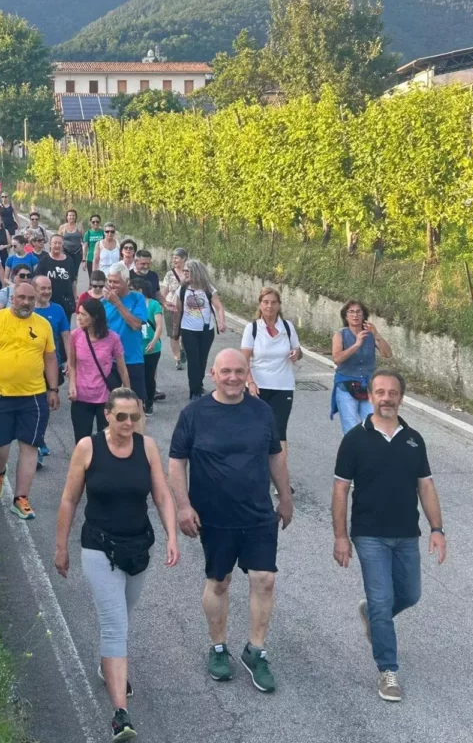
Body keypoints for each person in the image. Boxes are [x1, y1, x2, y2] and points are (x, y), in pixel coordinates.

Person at [56, 388, 179, 743]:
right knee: (115, 625)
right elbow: (68, 499)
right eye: (121, 416)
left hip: (139, 547)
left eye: (134, 417)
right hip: (99, 548)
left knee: (123, 615)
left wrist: (172, 536)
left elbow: (161, 495)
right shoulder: (88, 448)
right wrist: (60, 546)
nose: (128, 423)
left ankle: (106, 666)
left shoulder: (148, 447)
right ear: (107, 414)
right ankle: (120, 715)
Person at [169, 349, 293, 691]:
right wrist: (183, 506)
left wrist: (285, 497)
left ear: (247, 372)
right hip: (215, 516)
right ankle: (219, 647)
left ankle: (256, 650)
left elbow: (275, 455)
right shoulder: (194, 413)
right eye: (226, 372)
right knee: (219, 582)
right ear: (213, 374)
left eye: (239, 371)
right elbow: (177, 461)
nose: (233, 377)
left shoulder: (262, 411)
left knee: (265, 579)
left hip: (257, 514)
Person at [332, 370, 446, 703]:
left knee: (410, 594)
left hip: (407, 534)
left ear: (400, 397)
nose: (386, 397)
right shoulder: (354, 439)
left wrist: (437, 529)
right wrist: (340, 536)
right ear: (370, 396)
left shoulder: (414, 439)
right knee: (383, 601)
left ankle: (373, 615)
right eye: (379, 391)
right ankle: (387, 669)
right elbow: (340, 490)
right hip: (369, 535)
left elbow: (425, 485)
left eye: (392, 392)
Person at [0, 280, 60, 520]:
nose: (26, 302)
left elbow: (50, 358)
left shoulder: (42, 325)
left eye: (30, 299)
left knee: (29, 447)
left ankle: (21, 498)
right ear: (12, 298)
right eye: (21, 297)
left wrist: (53, 389)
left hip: (33, 397)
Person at [240, 287, 302, 478]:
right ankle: (255, 471)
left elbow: (298, 351)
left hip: (283, 386)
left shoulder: (288, 327)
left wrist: (296, 354)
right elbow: (244, 359)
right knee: (257, 430)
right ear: (260, 304)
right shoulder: (253, 328)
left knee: (279, 432)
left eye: (273, 302)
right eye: (266, 302)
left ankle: (280, 477)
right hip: (258, 386)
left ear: (279, 305)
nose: (269, 306)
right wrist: (250, 383)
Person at [68, 298, 129, 443]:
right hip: (81, 397)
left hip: (105, 397)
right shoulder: (76, 335)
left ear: (95, 317)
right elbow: (72, 365)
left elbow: (122, 369)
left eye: (83, 314)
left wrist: (128, 395)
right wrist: (71, 385)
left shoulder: (113, 338)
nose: (79, 317)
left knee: (107, 441)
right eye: (79, 313)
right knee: (82, 441)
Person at [331, 299, 393, 434]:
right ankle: (353, 454)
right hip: (346, 386)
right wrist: (356, 345)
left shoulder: (370, 334)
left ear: (364, 315)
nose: (355, 315)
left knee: (372, 427)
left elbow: (387, 354)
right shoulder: (340, 335)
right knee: (352, 429)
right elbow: (337, 359)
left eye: (358, 312)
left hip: (368, 386)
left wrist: (377, 335)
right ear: (345, 316)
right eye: (351, 312)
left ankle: (368, 454)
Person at [173, 259, 226, 401]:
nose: (184, 273)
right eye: (184, 271)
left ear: (196, 272)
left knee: (202, 359)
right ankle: (194, 391)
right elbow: (178, 309)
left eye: (187, 271)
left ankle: (198, 383)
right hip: (188, 329)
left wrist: (222, 322)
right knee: (193, 361)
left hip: (206, 330)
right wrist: (175, 329)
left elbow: (219, 306)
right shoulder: (182, 289)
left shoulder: (208, 289)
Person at [33, 274, 71, 464]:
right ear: (34, 290)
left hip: (51, 365)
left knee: (46, 405)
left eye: (49, 288)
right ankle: (36, 443)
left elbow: (66, 336)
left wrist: (70, 361)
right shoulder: (27, 310)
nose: (47, 291)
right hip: (30, 367)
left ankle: (39, 439)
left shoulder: (58, 310)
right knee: (34, 406)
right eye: (43, 288)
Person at [102, 263, 148, 408]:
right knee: (112, 404)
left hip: (132, 359)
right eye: (110, 281)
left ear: (126, 282)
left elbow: (135, 325)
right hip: (111, 361)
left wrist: (117, 303)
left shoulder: (137, 298)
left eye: (116, 282)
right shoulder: (103, 303)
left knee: (136, 403)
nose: (112, 285)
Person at [133, 278, 163, 411]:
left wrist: (153, 341)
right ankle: (138, 402)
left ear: (139, 291)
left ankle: (149, 401)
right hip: (135, 348)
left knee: (149, 377)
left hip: (152, 348)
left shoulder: (153, 304)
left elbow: (159, 326)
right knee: (137, 377)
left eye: (131, 289)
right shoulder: (130, 305)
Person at [35, 233, 78, 320]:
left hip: (66, 302)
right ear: (50, 244)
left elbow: (73, 281)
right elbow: (36, 281)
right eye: (55, 243)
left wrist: (75, 298)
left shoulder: (69, 260)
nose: (57, 245)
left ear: (63, 245)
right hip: (49, 300)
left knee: (65, 328)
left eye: (59, 243)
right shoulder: (44, 260)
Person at [161, 248, 188, 370]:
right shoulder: (169, 274)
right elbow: (164, 291)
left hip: (188, 308)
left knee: (186, 333)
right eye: (173, 257)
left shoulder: (190, 273)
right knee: (173, 334)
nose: (174, 260)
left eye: (176, 258)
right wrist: (163, 303)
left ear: (184, 258)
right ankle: (177, 358)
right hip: (172, 308)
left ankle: (183, 349)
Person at [59, 208, 84, 279]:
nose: (71, 217)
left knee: (75, 272)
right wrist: (59, 252)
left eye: (73, 215)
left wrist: (84, 256)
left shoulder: (79, 227)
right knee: (66, 271)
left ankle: (74, 288)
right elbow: (58, 240)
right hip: (66, 252)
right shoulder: (62, 227)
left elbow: (84, 241)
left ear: (76, 217)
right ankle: (66, 287)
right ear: (67, 217)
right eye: (70, 215)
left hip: (77, 253)